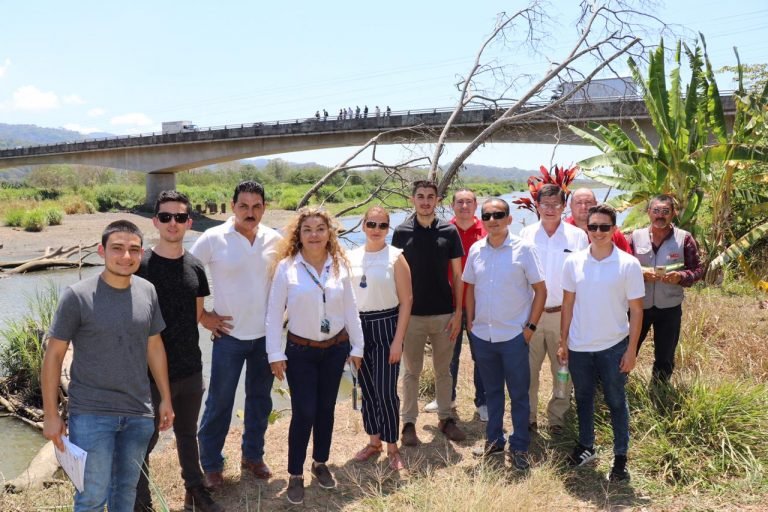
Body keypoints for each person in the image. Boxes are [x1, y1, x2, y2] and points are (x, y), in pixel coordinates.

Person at [41, 220, 174, 512]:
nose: (126, 256)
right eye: (117, 248)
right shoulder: (76, 296)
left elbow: (154, 346)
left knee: (125, 493)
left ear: (141, 254)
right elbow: (53, 357)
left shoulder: (148, 291)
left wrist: (164, 398)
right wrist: (51, 415)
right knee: (91, 497)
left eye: (133, 250)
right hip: (91, 414)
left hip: (139, 413)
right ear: (101, 251)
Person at [266, 207, 365, 505]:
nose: (314, 234)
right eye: (307, 229)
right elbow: (273, 314)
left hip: (335, 349)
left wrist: (357, 347)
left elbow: (351, 310)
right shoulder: (287, 267)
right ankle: (295, 474)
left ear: (329, 233)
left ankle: (320, 463)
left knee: (326, 410)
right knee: (304, 412)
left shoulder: (339, 266)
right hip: (300, 352)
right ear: (299, 234)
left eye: (320, 229)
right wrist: (274, 353)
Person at [190, 181, 282, 490]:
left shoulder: (275, 239)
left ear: (264, 208)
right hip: (228, 337)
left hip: (266, 339)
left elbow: (290, 280)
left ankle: (252, 456)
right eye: (244, 206)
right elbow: (188, 275)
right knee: (220, 402)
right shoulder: (213, 238)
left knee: (259, 401)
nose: (250, 212)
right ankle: (212, 466)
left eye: (257, 206)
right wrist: (202, 316)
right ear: (233, 207)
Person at [134, 191, 222, 512]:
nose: (174, 223)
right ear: (156, 221)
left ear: (189, 222)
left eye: (181, 217)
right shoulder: (140, 266)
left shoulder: (196, 267)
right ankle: (141, 504)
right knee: (144, 442)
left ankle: (195, 493)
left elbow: (198, 314)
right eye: (167, 217)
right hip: (149, 375)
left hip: (190, 369)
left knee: (187, 435)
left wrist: (221, 323)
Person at [558, 204, 645, 482]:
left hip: (613, 347)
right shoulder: (573, 262)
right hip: (580, 346)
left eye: (604, 227)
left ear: (614, 229)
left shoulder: (628, 264)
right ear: (587, 229)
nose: (598, 232)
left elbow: (637, 310)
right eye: (593, 226)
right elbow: (568, 304)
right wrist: (563, 342)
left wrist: (631, 350)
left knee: (616, 401)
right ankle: (587, 446)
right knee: (583, 398)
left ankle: (620, 458)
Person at [464, 198, 546, 470]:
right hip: (483, 336)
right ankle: (494, 441)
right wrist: (471, 325)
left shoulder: (524, 249)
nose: (492, 220)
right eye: (486, 215)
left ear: (509, 219)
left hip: (514, 337)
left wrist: (530, 328)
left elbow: (540, 291)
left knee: (519, 394)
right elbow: (469, 290)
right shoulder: (476, 250)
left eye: (498, 214)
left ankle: (520, 445)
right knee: (492, 392)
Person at [392, 180, 466, 446]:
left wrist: (458, 312)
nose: (425, 201)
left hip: (444, 315)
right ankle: (408, 423)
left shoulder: (449, 231)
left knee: (443, 370)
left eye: (430, 197)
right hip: (411, 316)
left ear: (438, 200)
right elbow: (395, 275)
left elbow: (458, 275)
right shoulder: (401, 232)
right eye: (420, 196)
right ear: (413, 199)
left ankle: (446, 418)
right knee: (411, 371)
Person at [520, 184, 588, 435]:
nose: (550, 209)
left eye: (555, 204)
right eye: (545, 204)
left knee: (563, 370)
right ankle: (528, 418)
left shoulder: (577, 237)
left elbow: (582, 277)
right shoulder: (525, 235)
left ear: (564, 206)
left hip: (563, 314)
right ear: (536, 205)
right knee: (528, 371)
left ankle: (557, 419)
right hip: (531, 314)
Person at [348, 206, 412, 471]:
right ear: (363, 225)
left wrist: (398, 341)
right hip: (358, 328)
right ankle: (373, 441)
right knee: (365, 390)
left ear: (388, 228)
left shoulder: (396, 257)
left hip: (387, 325)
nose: (376, 230)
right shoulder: (349, 256)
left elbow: (407, 301)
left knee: (386, 392)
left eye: (382, 225)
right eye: (371, 224)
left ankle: (392, 446)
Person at [424, 189, 488, 421]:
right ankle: (446, 398)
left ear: (476, 204)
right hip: (447, 305)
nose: (464, 206)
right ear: (452, 206)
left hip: (479, 305)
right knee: (447, 355)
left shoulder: (487, 230)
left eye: (468, 202)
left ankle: (484, 402)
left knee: (481, 355)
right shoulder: (442, 230)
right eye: (459, 202)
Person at [629, 194, 703, 382]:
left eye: (665, 211)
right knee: (627, 349)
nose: (660, 216)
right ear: (648, 213)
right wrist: (640, 274)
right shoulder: (635, 238)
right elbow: (620, 267)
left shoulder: (684, 239)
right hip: (638, 306)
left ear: (673, 214)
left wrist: (681, 277)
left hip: (669, 307)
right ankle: (618, 387)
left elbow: (698, 269)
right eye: (656, 211)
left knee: (665, 355)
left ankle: (660, 392)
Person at [566, 187, 632, 253]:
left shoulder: (610, 231)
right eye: (578, 203)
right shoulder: (562, 230)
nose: (584, 207)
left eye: (588, 202)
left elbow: (628, 259)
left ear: (595, 204)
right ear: (570, 205)